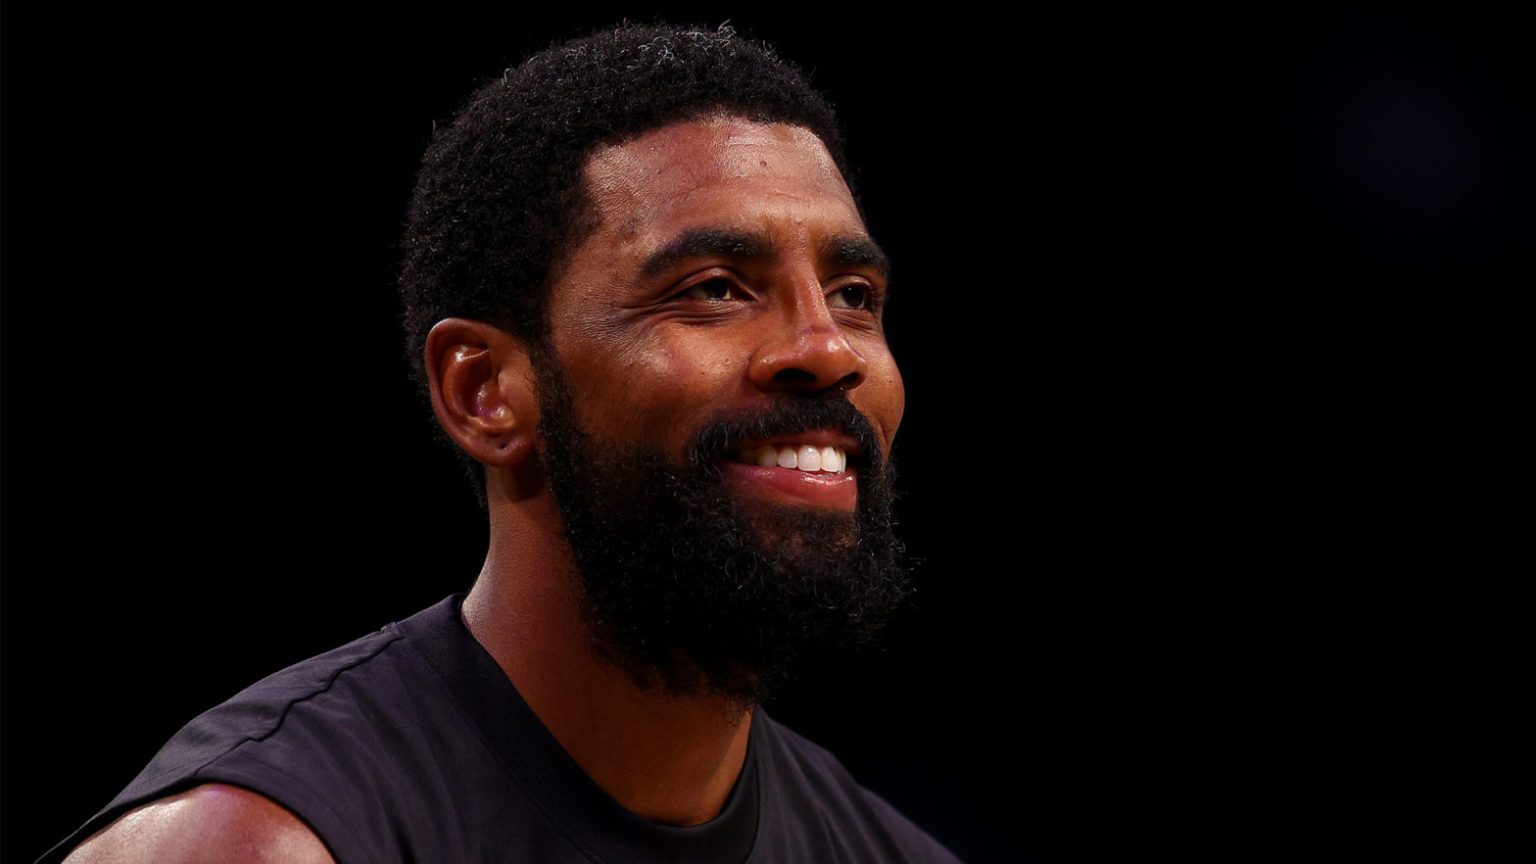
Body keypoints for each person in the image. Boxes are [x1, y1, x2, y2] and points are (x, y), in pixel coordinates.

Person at [44, 22, 960, 864]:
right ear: (484, 392)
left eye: (853, 297)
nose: (829, 351)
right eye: (716, 288)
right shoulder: (258, 842)